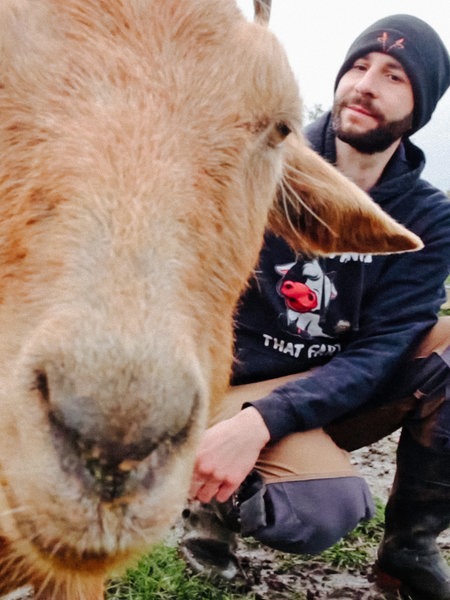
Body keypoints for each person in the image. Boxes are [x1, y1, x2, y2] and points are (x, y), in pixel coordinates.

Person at [180, 14, 450, 600]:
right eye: (358, 65)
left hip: (321, 388)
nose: (366, 83)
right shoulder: (262, 160)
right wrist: (238, 417)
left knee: (446, 343)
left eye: (394, 75)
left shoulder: (427, 216)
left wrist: (267, 420)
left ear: (421, 106)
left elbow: (386, 349)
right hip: (234, 381)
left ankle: (410, 544)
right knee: (326, 508)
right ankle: (208, 500)